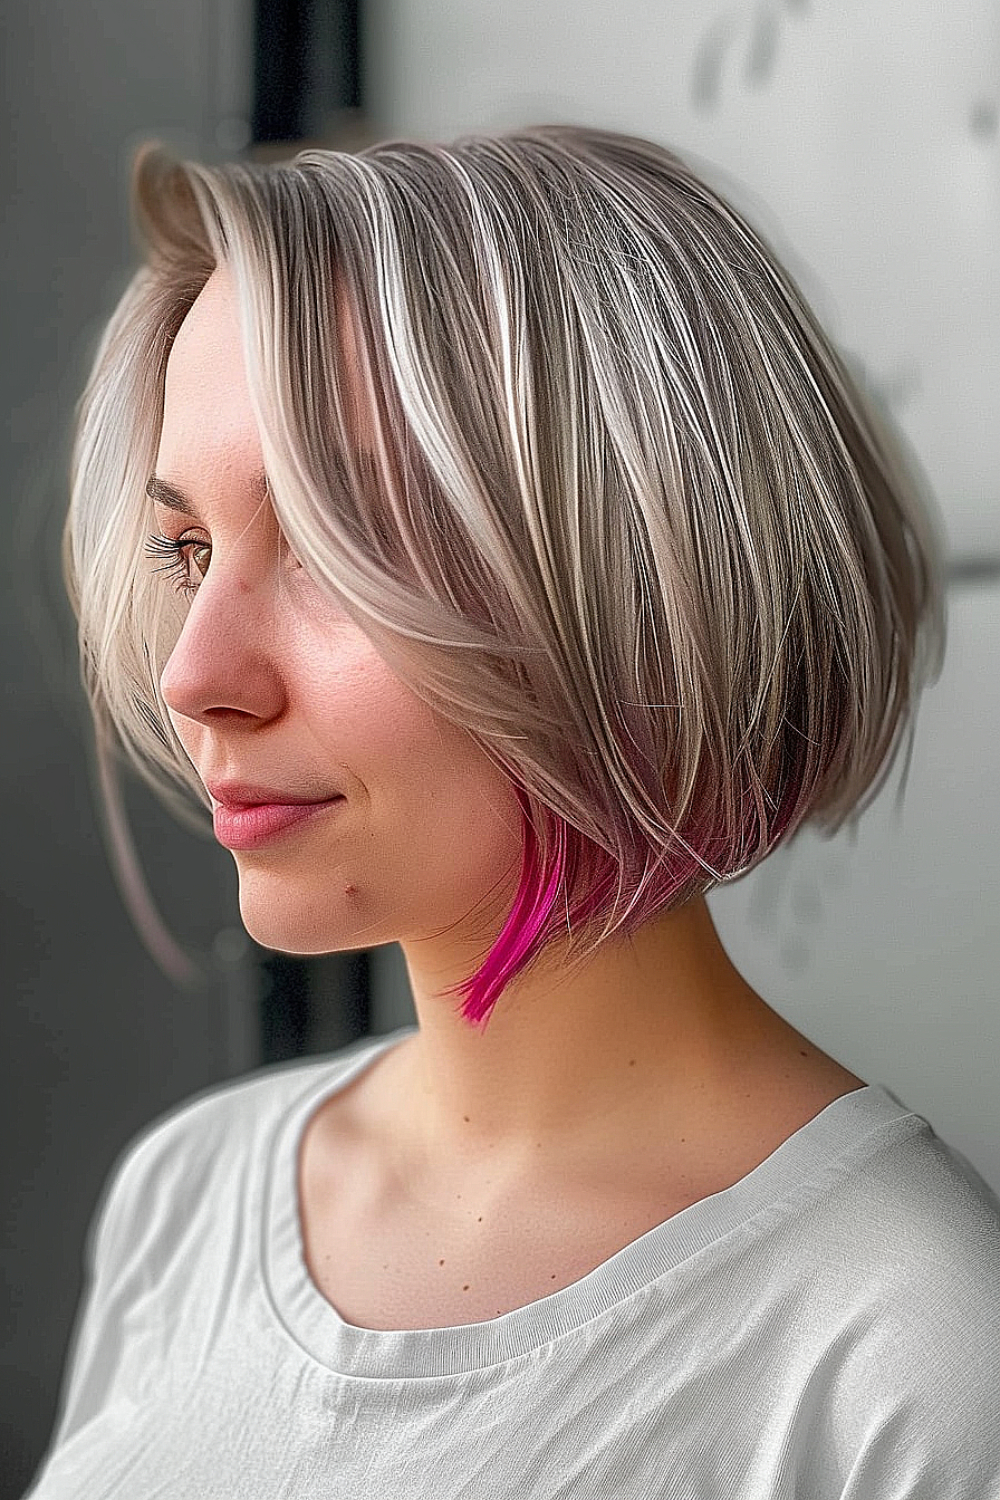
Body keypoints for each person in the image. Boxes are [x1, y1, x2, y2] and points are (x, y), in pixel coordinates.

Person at [26, 124, 1000, 1498]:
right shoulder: (188, 1198)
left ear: (640, 583)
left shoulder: (912, 1358)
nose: (194, 676)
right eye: (187, 549)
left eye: (329, 544)